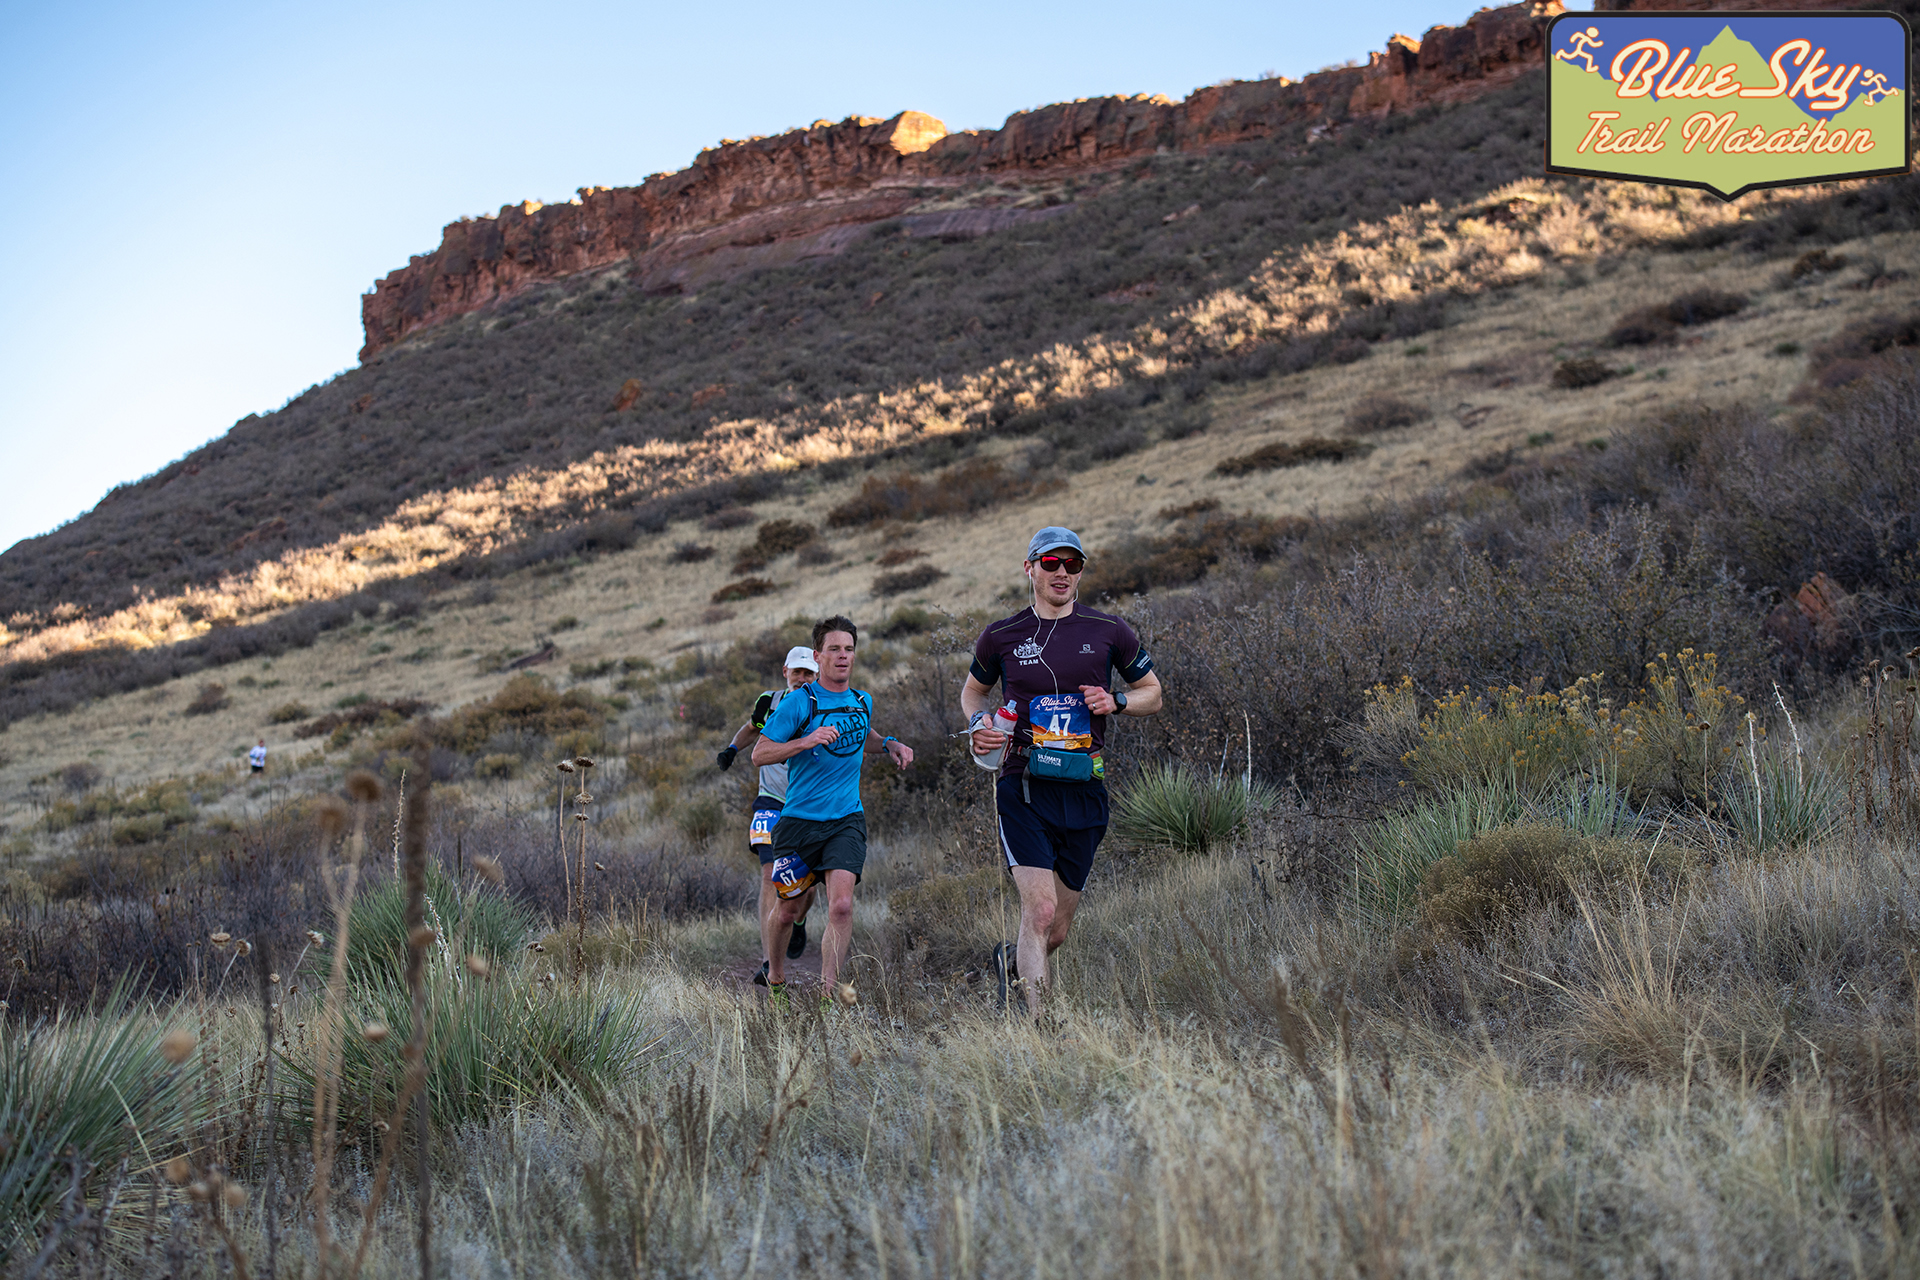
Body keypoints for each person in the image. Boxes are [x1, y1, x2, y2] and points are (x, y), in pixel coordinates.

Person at [961, 526, 1162, 1020]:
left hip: (1085, 787)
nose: (1063, 573)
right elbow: (972, 693)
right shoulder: (1001, 635)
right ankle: (1040, 1025)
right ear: (1030, 568)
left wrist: (1116, 701)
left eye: (1073, 565)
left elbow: (1153, 693)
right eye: (1051, 564)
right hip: (1024, 783)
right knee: (1041, 911)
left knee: (1059, 931)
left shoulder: (1109, 630)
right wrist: (978, 724)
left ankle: (1010, 964)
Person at [753, 616, 914, 1011]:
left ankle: (827, 998)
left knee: (841, 906)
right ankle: (776, 977)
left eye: (849, 649)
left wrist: (889, 743)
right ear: (818, 655)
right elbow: (760, 752)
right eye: (834, 649)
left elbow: (864, 734)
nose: (843, 656)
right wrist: (805, 741)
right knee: (788, 909)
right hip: (798, 823)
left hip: (846, 820)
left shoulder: (862, 701)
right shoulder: (799, 702)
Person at [716, 646, 821, 984]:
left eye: (808, 674)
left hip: (808, 804)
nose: (802, 679)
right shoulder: (770, 702)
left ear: (816, 675)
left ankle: (799, 921)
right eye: (797, 673)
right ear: (785, 671)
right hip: (771, 800)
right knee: (769, 876)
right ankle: (767, 960)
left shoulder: (825, 703)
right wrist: (732, 749)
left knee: (807, 886)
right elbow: (751, 727)